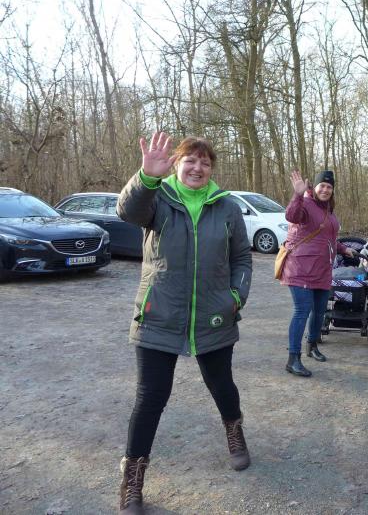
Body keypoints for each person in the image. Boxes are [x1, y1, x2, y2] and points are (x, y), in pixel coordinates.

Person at [116, 132, 253, 515]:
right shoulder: (157, 198)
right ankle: (132, 478)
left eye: (205, 162)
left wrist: (235, 297)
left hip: (214, 314)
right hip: (159, 313)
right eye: (190, 160)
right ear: (176, 164)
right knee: (150, 398)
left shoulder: (226, 207)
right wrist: (146, 176)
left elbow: (242, 257)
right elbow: (127, 212)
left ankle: (235, 431)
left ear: (212, 169)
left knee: (222, 385)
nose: (197, 167)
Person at [281, 169, 357, 377]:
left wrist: (344, 249)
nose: (325, 189)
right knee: (302, 311)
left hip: (322, 270)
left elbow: (328, 238)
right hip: (301, 268)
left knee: (319, 311)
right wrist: (297, 195)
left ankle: (312, 345)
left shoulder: (328, 210)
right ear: (314, 187)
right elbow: (291, 215)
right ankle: (293, 359)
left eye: (329, 186)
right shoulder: (305, 205)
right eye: (322, 185)